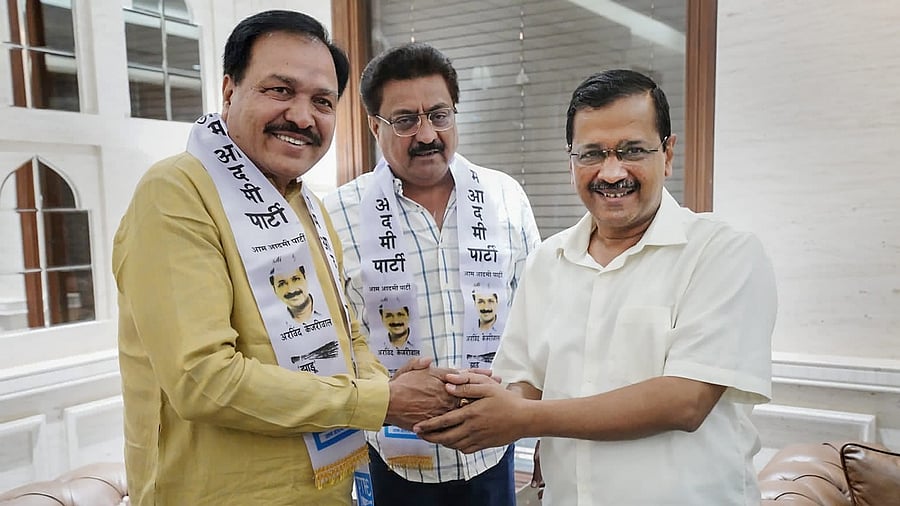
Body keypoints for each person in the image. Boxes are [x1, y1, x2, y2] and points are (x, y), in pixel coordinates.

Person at [112, 11, 461, 505]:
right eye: (279, 90)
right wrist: (380, 400)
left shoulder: (308, 206)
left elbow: (347, 333)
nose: (302, 116)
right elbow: (203, 379)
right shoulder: (176, 192)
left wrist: (391, 384)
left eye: (321, 101)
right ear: (229, 90)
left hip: (328, 488)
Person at [413, 69, 778, 505]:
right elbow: (523, 382)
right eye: (591, 154)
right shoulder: (547, 261)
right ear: (571, 161)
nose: (610, 171)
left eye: (632, 150)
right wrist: (461, 397)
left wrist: (522, 417)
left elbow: (685, 402)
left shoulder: (723, 253)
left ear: (668, 153)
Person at [323, 42, 541, 506]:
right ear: (373, 126)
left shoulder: (505, 198)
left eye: (439, 115)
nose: (427, 134)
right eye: (405, 120)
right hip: (393, 456)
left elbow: (537, 318)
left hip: (492, 448)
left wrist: (538, 426)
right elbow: (331, 339)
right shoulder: (336, 213)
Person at [269, 258, 322, 324]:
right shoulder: (275, 324)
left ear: (305, 278)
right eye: (282, 284)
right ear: (274, 290)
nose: (291, 290)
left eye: (296, 279)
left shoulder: (329, 307)